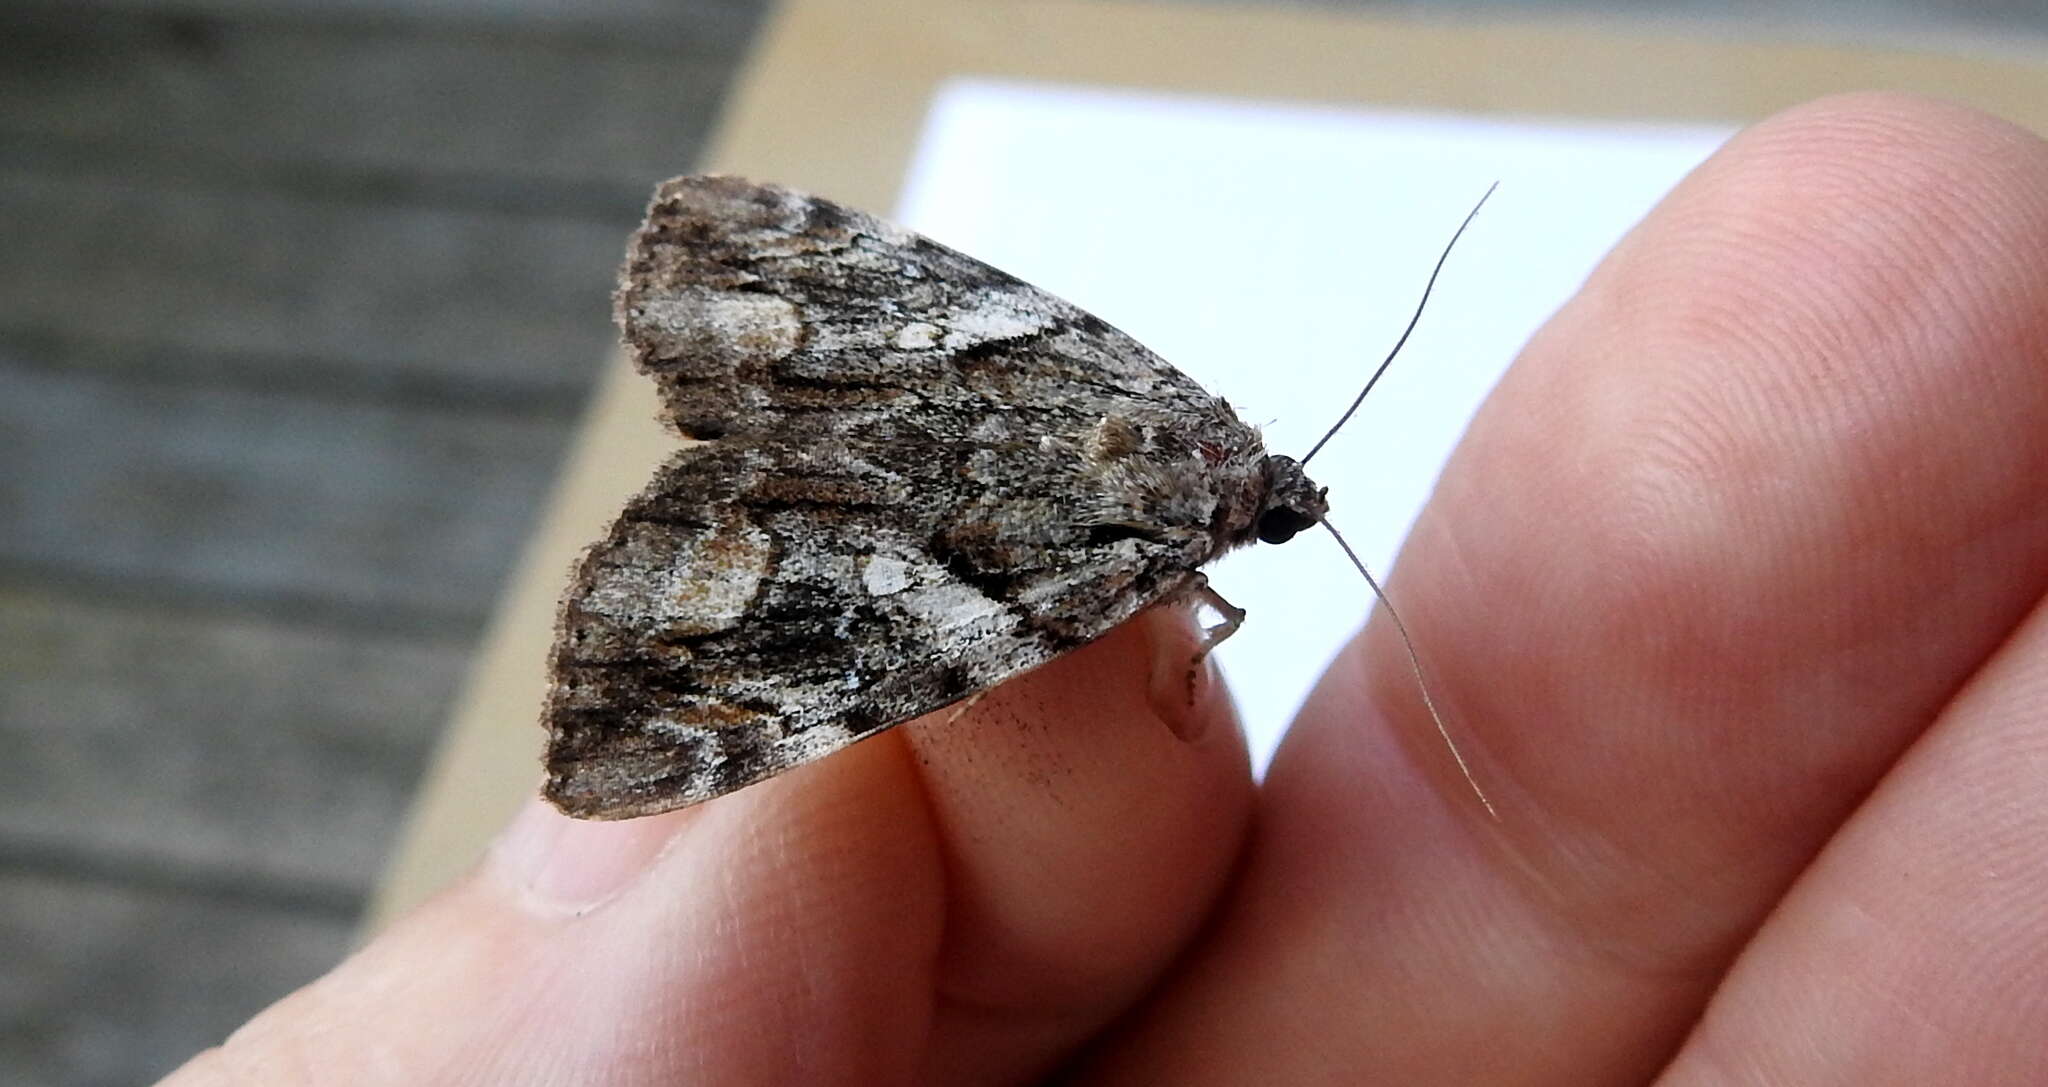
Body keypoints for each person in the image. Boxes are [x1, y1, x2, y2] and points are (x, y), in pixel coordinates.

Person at [162, 95, 2048, 1084]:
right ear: (1248, 522)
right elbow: (1183, 622)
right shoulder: (1178, 553)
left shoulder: (1169, 409)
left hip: (975, 442)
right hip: (1025, 579)